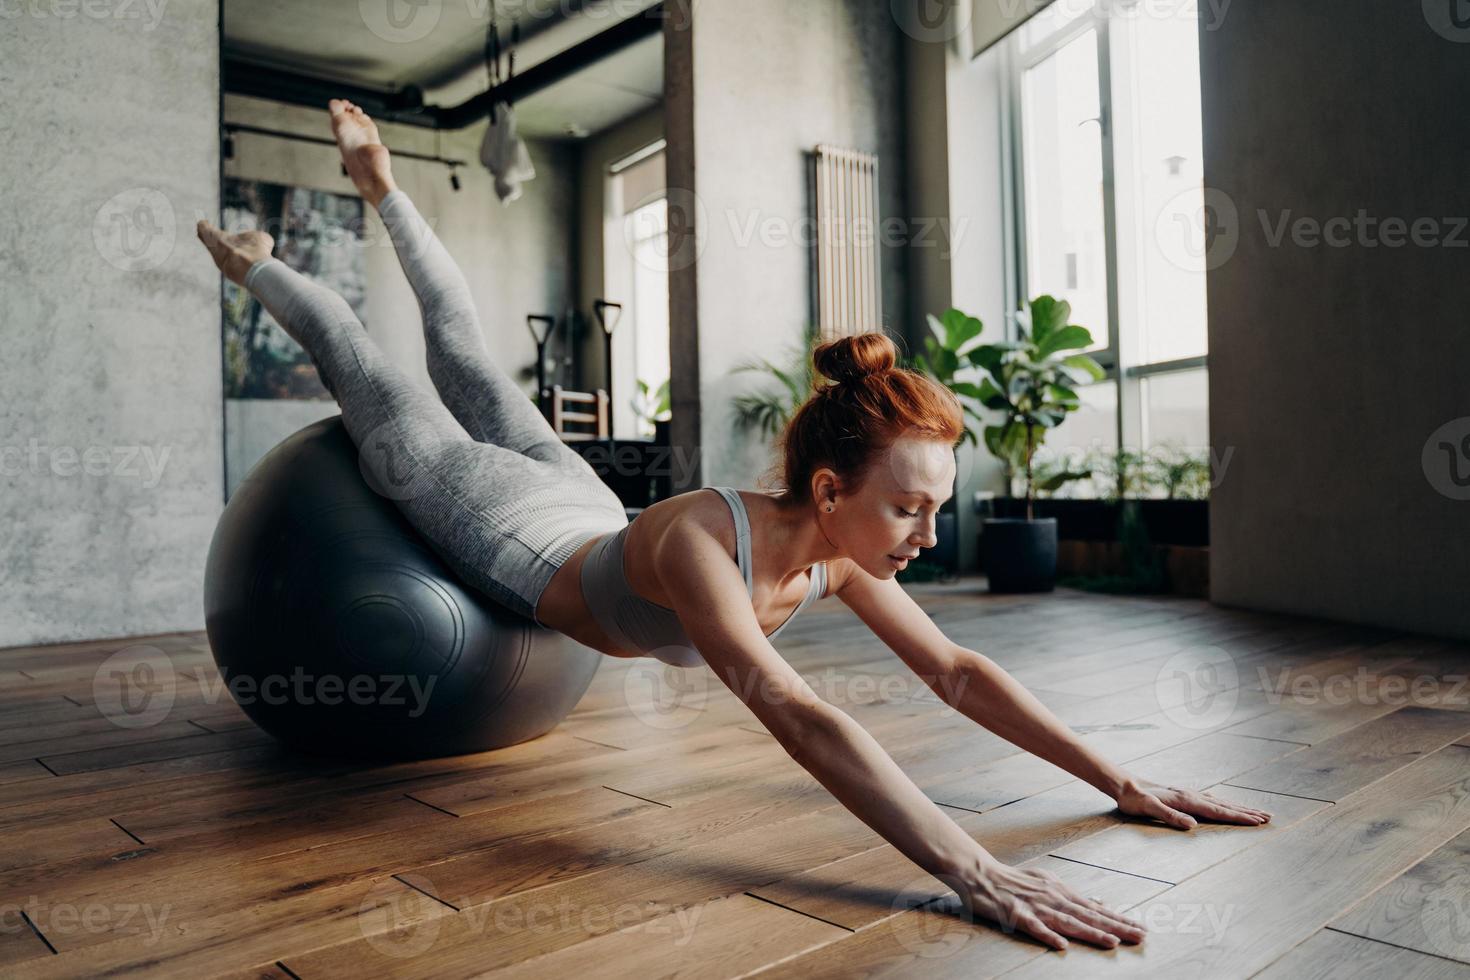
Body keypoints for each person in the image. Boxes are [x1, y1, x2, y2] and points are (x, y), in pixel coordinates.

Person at [197, 99, 1271, 953]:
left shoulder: (842, 558)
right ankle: (258, 254)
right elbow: (802, 717)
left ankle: (381, 185)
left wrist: (1117, 779)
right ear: (828, 488)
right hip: (506, 530)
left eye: (937, 508)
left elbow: (956, 668)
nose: (927, 537)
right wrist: (970, 866)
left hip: (578, 497)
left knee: (474, 359)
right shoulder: (705, 545)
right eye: (909, 506)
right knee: (358, 343)